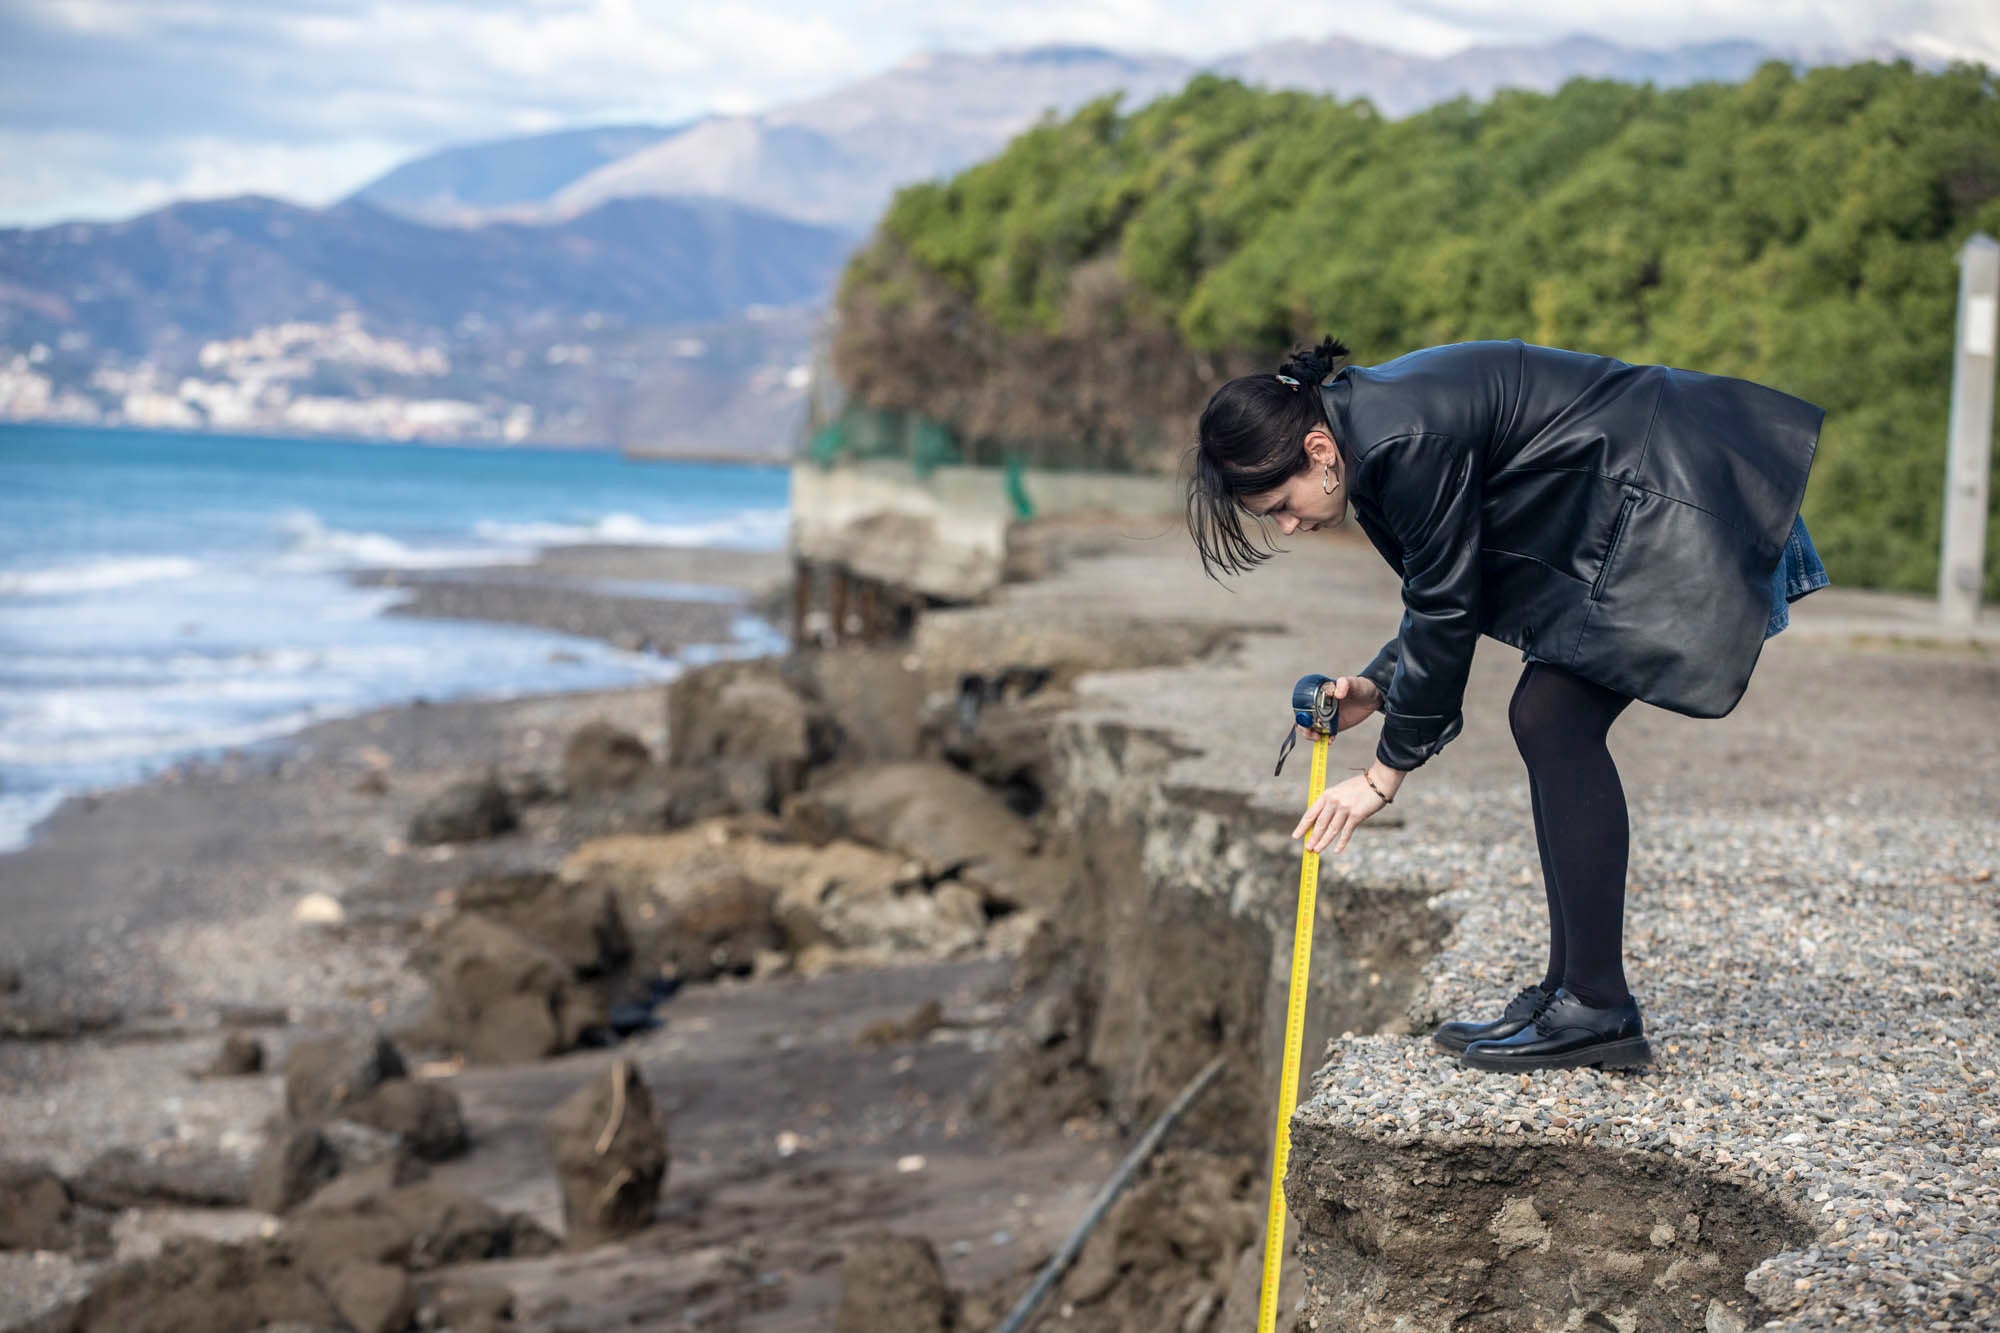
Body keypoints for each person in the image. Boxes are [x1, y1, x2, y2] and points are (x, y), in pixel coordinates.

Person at [1184, 336, 1828, 1073]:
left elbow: (1448, 603)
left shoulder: (1399, 441)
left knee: (1554, 717)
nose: (1288, 526)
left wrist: (1384, 775)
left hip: (1682, 494)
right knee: (1550, 716)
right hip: (1637, 494)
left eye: (1282, 506)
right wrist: (1377, 686)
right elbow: (1450, 582)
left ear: (1319, 448)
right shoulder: (1376, 436)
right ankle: (1573, 994)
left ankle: (1594, 1002)